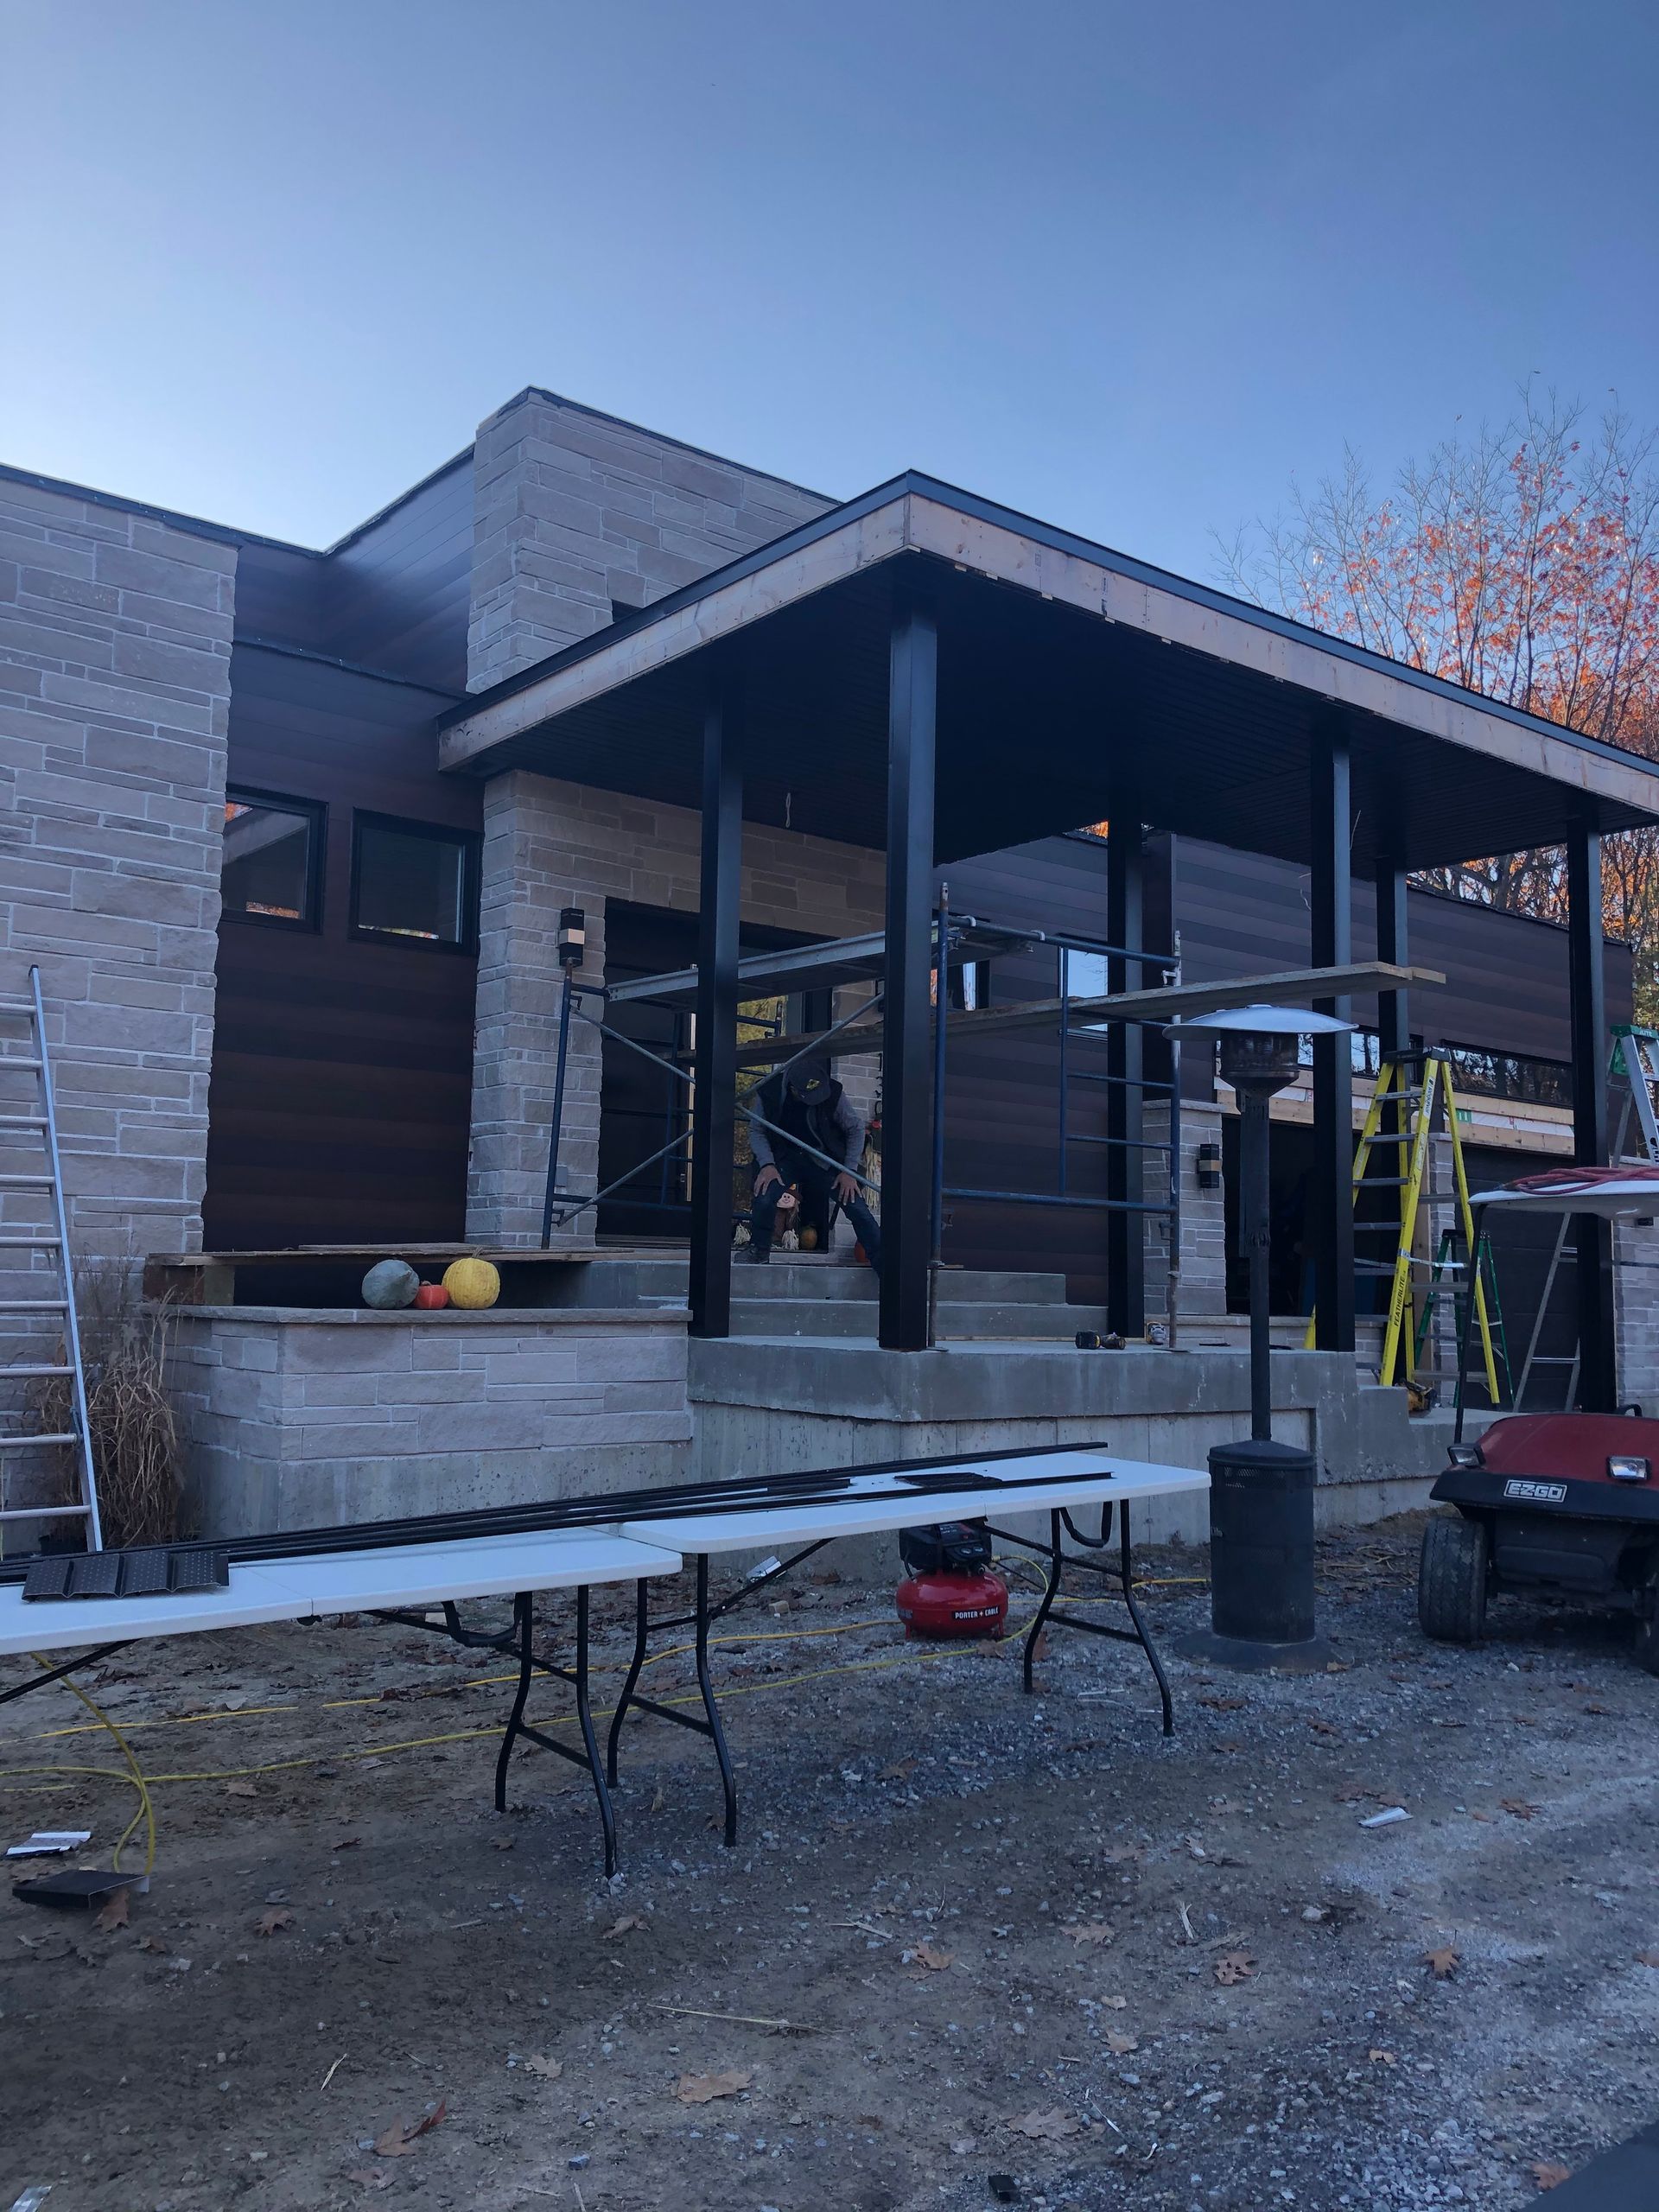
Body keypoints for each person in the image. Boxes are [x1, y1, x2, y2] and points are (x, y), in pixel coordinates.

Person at [745, 1057, 881, 1272]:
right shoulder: (769, 1092)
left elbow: (855, 1129)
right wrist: (766, 1164)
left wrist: (849, 1171)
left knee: (855, 1205)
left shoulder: (833, 1094)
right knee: (764, 1196)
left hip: (822, 1158)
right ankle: (759, 1251)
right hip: (784, 1158)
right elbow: (757, 1130)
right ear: (793, 1090)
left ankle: (882, 1261)